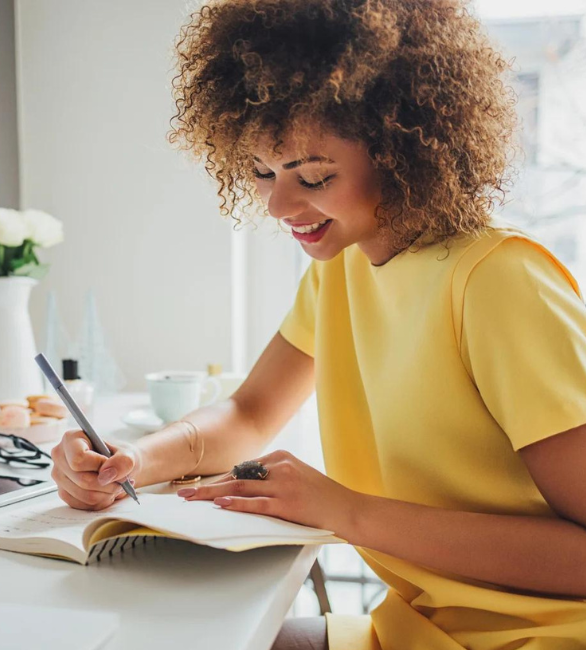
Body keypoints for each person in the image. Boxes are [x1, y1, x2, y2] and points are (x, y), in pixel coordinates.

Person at [49, 1, 586, 648]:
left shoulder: (497, 282)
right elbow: (248, 415)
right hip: (419, 629)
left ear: (401, 146)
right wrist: (131, 461)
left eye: (313, 175)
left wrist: (345, 511)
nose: (278, 204)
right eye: (261, 171)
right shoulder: (342, 268)